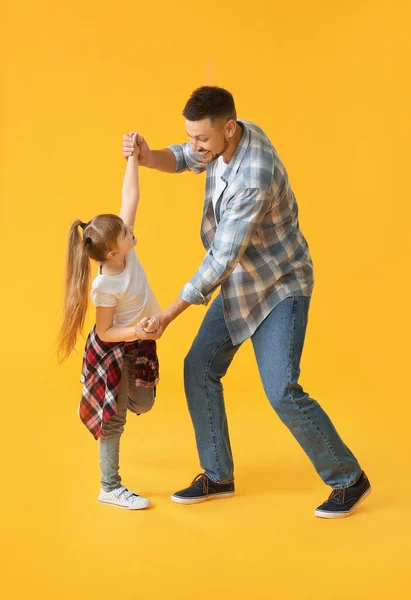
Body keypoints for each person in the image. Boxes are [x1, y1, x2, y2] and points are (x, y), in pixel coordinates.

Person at [125, 86, 371, 518]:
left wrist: (166, 316)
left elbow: (221, 258)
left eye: (202, 138)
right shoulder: (223, 139)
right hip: (243, 282)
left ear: (229, 128)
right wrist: (148, 157)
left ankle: (349, 478)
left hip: (279, 286)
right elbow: (185, 157)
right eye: (192, 136)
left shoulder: (253, 177)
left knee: (281, 391)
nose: (196, 146)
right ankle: (218, 475)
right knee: (198, 366)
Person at [58, 134, 160, 510]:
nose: (133, 230)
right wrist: (137, 330)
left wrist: (132, 157)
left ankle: (117, 402)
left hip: (139, 344)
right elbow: (103, 332)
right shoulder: (105, 284)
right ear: (115, 250)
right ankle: (110, 486)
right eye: (127, 232)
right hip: (114, 351)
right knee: (114, 422)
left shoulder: (125, 252)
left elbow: (130, 197)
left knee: (144, 403)